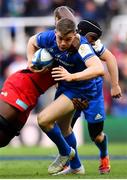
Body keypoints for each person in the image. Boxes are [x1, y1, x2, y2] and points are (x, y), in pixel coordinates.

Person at [27, 18, 105, 175]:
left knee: (43, 120)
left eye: (67, 39)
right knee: (65, 129)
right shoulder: (49, 37)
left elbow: (99, 68)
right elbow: (31, 41)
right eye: (60, 38)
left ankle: (65, 152)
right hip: (65, 87)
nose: (62, 43)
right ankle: (76, 167)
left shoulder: (82, 46)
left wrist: (72, 76)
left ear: (75, 35)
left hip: (80, 90)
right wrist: (30, 61)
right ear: (55, 33)